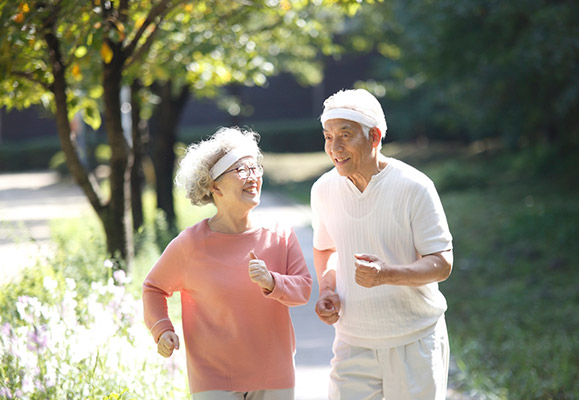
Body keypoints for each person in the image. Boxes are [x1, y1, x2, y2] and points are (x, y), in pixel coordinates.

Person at [143, 127, 312, 400]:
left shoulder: (280, 233)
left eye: (255, 167)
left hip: (274, 370)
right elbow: (153, 287)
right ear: (214, 186)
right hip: (213, 375)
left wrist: (272, 282)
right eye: (241, 170)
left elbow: (303, 288)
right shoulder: (190, 244)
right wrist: (162, 329)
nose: (253, 176)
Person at [311, 89, 454, 400]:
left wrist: (387, 274)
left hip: (414, 340)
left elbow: (442, 262)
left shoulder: (414, 186)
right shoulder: (323, 190)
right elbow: (326, 249)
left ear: (374, 137)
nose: (334, 148)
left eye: (345, 135)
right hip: (353, 341)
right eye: (328, 137)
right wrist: (327, 289)